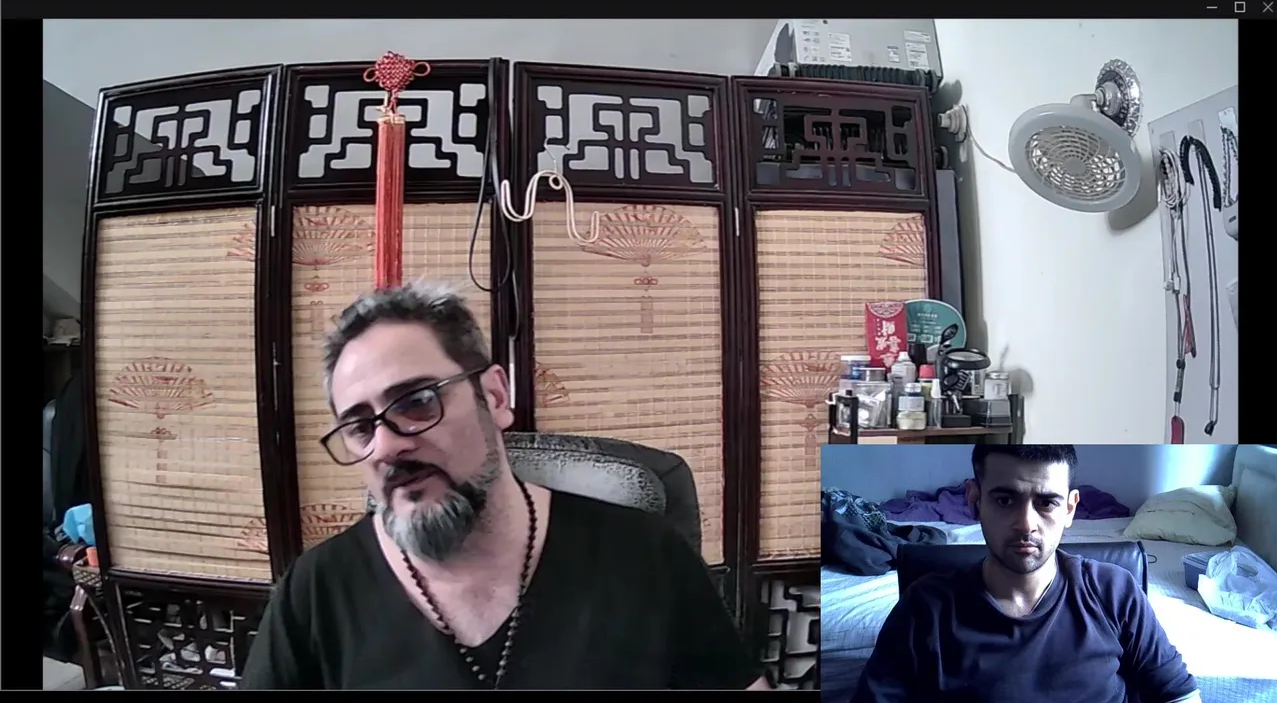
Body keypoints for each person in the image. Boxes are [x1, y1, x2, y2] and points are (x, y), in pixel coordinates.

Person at [240, 280, 769, 691]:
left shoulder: (645, 554)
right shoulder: (316, 592)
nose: (386, 446)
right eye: (360, 427)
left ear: (493, 397)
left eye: (416, 402)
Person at [853, 444, 1201, 703]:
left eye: (1047, 502)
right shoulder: (926, 606)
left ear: (1070, 509)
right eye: (1005, 500)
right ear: (974, 500)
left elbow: (1178, 694)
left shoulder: (1114, 590)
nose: (1026, 524)